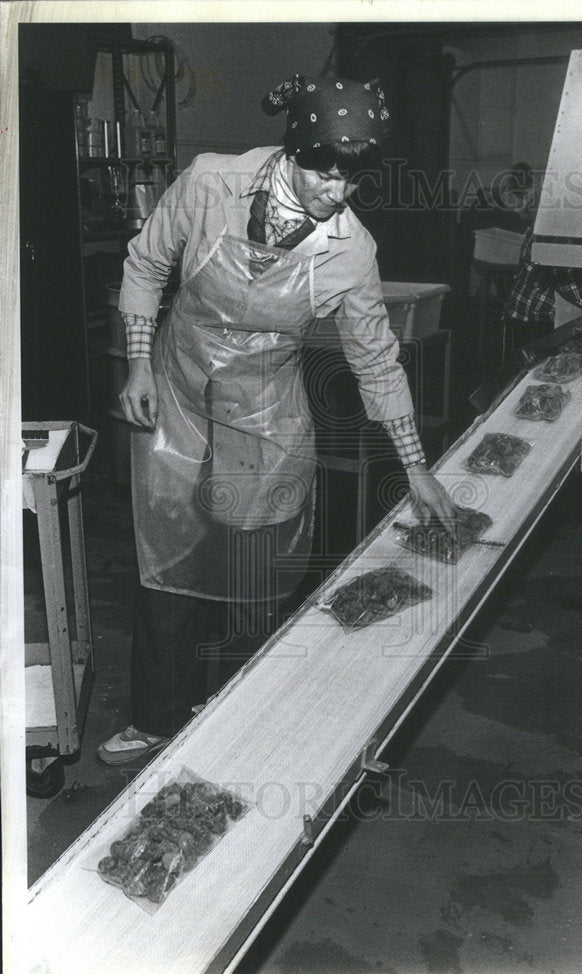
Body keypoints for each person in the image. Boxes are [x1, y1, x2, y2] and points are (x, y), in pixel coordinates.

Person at [98, 74, 459, 764]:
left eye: (353, 179)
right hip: (179, 389)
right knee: (170, 555)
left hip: (264, 411)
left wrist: (415, 467)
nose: (338, 192)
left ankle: (246, 714)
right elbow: (145, 266)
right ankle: (157, 716)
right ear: (292, 149)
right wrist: (139, 364)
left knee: (253, 567)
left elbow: (376, 360)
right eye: (326, 172)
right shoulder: (209, 184)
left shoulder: (350, 249)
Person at [502, 226, 582, 355]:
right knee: (530, 368)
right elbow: (569, 286)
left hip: (550, 315)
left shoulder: (567, 228)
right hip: (532, 317)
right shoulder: (556, 234)